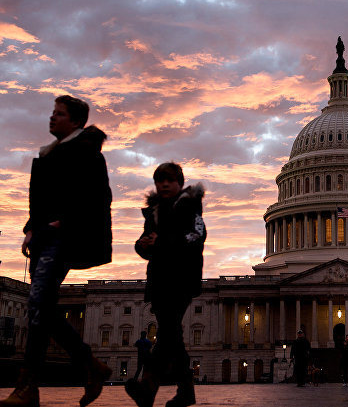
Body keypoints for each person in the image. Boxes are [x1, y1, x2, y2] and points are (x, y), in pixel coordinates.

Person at [1, 95, 113, 407]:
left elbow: (98, 197)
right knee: (40, 309)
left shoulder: (87, 151)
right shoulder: (52, 154)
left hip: (65, 238)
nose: (52, 118)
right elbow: (44, 199)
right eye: (52, 112)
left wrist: (63, 222)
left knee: (38, 303)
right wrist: (31, 227)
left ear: (76, 121)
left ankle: (30, 384)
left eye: (59, 114)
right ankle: (86, 366)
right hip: (45, 237)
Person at [125, 163, 206, 407]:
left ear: (180, 183)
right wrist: (143, 245)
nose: (164, 185)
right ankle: (184, 391)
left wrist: (163, 242)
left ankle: (149, 386)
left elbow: (197, 236)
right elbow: (148, 241)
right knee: (172, 336)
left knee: (170, 331)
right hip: (159, 279)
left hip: (182, 278)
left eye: (170, 180)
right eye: (160, 181)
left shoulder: (189, 206)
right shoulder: (154, 211)